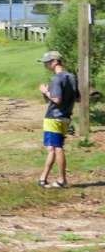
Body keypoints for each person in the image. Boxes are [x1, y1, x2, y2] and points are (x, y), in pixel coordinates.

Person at [38, 50, 77, 188]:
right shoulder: (72, 77)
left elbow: (56, 99)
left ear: (54, 62)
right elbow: (77, 97)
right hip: (66, 118)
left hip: (54, 118)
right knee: (52, 148)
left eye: (47, 62)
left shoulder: (56, 78)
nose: (45, 65)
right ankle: (43, 178)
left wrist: (45, 91)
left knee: (57, 148)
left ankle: (62, 180)